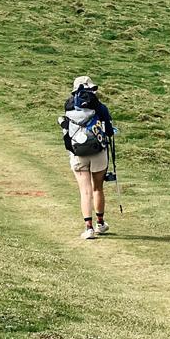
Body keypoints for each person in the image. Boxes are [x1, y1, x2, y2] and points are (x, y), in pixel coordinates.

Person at [59, 76, 114, 239]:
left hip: (77, 152)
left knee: (85, 191)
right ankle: (100, 223)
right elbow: (109, 131)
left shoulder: (68, 106)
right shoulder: (100, 107)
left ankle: (88, 228)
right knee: (98, 188)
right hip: (98, 152)